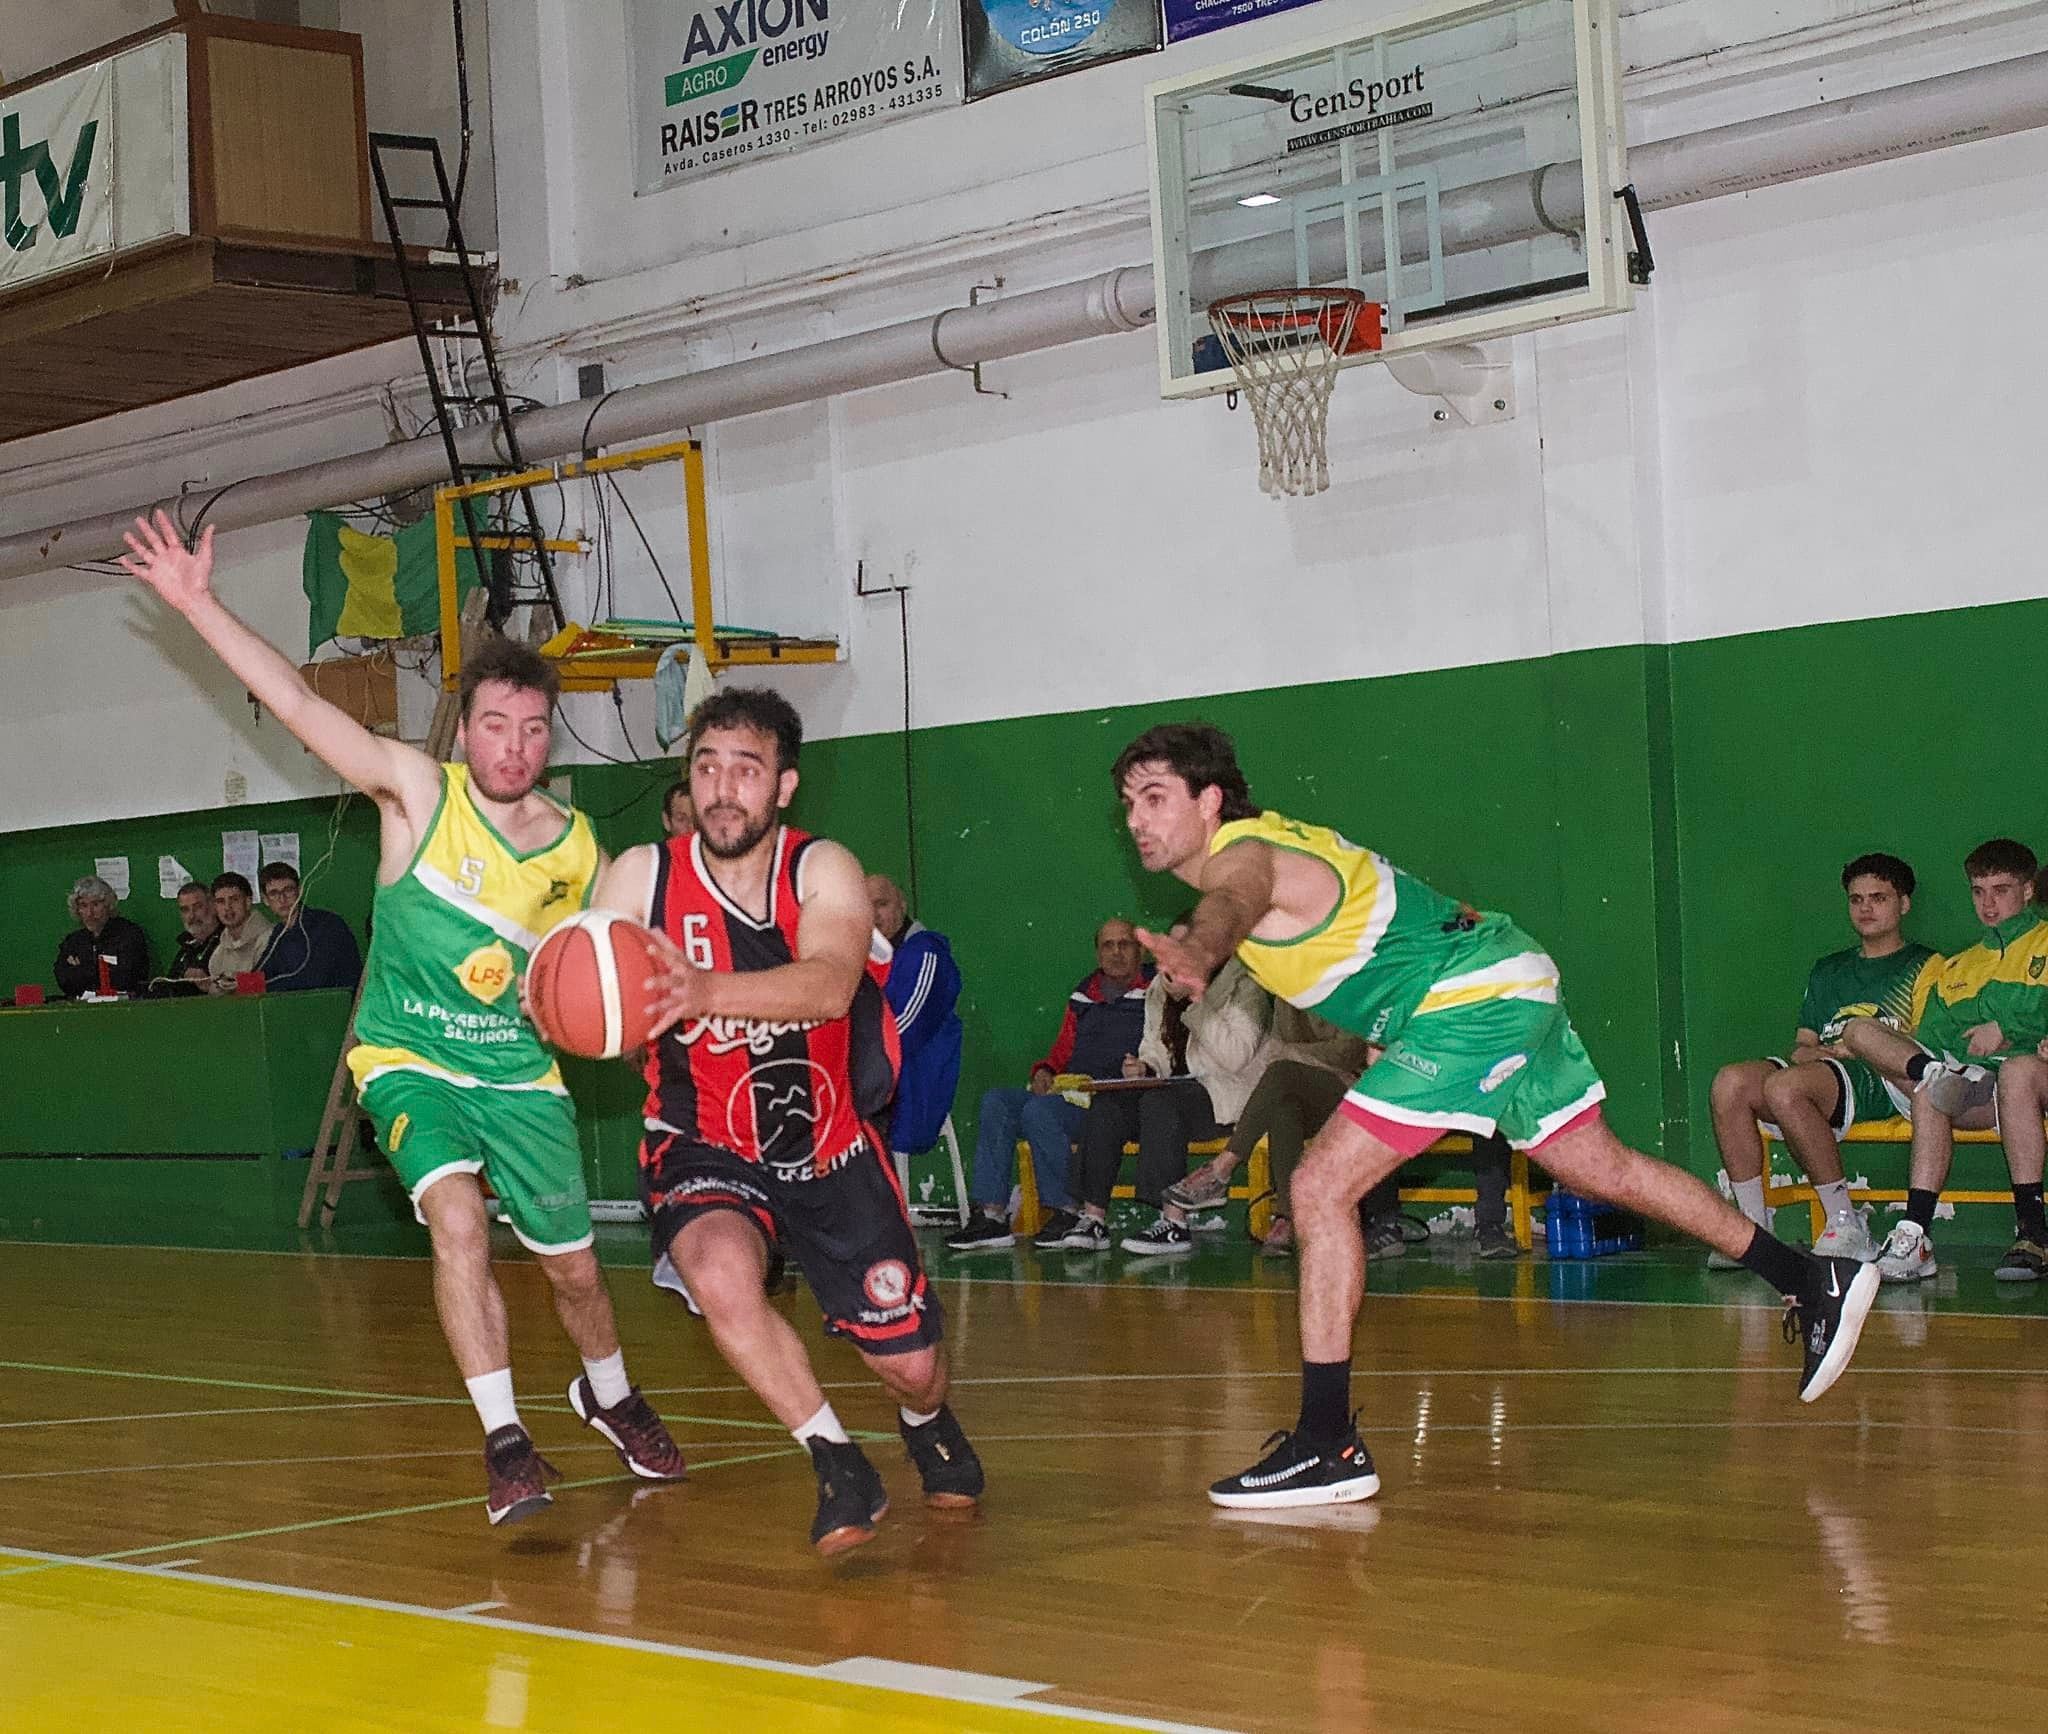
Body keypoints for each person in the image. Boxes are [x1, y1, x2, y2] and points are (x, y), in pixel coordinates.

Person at [1113, 721, 1882, 1509]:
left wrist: (1200, 952)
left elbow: (1235, 900)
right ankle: (1810, 1275)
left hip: (1473, 1002)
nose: (1137, 818)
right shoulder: (1282, 841)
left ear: (1209, 800)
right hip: (1501, 975)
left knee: (1317, 1190)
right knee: (1600, 1168)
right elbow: (1400, 928)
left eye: (1155, 797)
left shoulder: (1246, 855)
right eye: (1128, 803)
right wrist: (1394, 1027)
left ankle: (1327, 1442)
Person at [118, 510, 684, 1526]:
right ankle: (506, 1442)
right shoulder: (415, 791)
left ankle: (609, 1394)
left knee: (574, 1270)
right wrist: (197, 601)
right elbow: (292, 699)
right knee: (457, 1226)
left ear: (547, 738)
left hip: (516, 1073)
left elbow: (606, 980)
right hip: (407, 1058)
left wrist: (579, 998)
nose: (513, 744)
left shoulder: (577, 849)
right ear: (467, 730)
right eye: (496, 725)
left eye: (532, 728)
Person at [593, 686, 984, 1556]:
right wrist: (577, 1009)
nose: (724, 788)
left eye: (746, 769)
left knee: (910, 1365)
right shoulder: (639, 876)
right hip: (701, 1138)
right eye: (706, 768)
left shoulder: (822, 868)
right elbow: (605, 1000)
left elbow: (831, 983)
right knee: (719, 1276)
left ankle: (926, 1421)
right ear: (687, 782)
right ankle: (838, 1462)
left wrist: (704, 995)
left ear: (784, 785)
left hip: (829, 1145)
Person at [1705, 853, 1943, 1269]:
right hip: (1823, 1067)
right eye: (1856, 900)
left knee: (1785, 1087)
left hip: (1879, 1077)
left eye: (1879, 898)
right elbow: (1802, 1045)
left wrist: (1862, 1046)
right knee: (1730, 1082)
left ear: (1904, 904)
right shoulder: (1829, 969)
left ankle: (1844, 1221)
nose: (1866, 908)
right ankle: (1751, 1230)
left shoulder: (1929, 966)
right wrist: (1820, 1054)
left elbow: (1922, 1046)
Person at [1834, 839, 2048, 1284]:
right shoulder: (1957, 968)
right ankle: (1916, 1235)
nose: (1988, 904)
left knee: (2018, 1069)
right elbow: (1933, 1038)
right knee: (1927, 1079)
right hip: (1984, 1089)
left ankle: (2033, 1231)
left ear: (2028, 890)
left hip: (2033, 1073)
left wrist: (2010, 1031)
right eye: (1978, 891)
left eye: (2002, 890)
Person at [943, 919, 1153, 1252]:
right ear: (1097, 953)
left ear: (1140, 951)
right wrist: (1045, 1069)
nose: (1116, 953)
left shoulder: (1156, 990)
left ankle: (1067, 1211)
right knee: (997, 1101)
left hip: (1114, 1104)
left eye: (1124, 944)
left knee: (1041, 1111)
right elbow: (1063, 1048)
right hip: (1070, 1093)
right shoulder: (1084, 993)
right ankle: (993, 1217)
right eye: (1107, 945)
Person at [1058, 945, 1270, 1255]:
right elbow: (1154, 1048)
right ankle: (1093, 1218)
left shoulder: (1245, 986)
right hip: (1170, 1092)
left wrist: (1197, 1002)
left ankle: (1174, 1222)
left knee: (1161, 1102)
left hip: (1225, 1096)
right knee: (1109, 1104)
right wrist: (1144, 1067)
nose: (1176, 962)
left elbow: (1236, 1057)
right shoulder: (1160, 987)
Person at [1165, 1006, 1373, 1256]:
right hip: (1303, 1087)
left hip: (1357, 1088)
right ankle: (1288, 1217)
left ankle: (1223, 1168)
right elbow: (1274, 1052)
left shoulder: (1348, 983)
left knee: (1281, 1072)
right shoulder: (1286, 994)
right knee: (1283, 1109)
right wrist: (1295, 1057)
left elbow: (1347, 1053)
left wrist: (1291, 1055)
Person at [867, 873, 964, 1174]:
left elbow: (905, 1029)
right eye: (864, 905)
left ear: (902, 905)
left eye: (881, 904)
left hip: (912, 1084)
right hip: (875, 1078)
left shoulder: (926, 954)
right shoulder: (860, 957)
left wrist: (855, 1061)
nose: (873, 914)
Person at [255, 861, 364, 993]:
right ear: (266, 900)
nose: (282, 899)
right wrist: (236, 983)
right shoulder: (279, 933)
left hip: (340, 1005)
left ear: (299, 891)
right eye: (274, 893)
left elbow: (311, 979)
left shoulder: (327, 925)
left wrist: (260, 985)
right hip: (303, 1006)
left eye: (288, 890)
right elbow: (264, 972)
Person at [54, 875, 152, 999]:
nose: (90, 913)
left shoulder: (128, 935)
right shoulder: (74, 941)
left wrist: (82, 969)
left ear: (108, 905)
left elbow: (125, 978)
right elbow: (64, 980)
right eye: (83, 906)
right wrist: (98, 971)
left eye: (95, 904)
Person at [148, 881, 222, 998]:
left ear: (213, 906)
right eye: (185, 910)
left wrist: (208, 984)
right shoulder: (186, 947)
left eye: (197, 907)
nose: (191, 916)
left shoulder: (226, 941)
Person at [204, 872, 275, 993]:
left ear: (248, 902)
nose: (227, 907)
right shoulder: (218, 956)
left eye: (234, 899)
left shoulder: (271, 939)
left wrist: (238, 985)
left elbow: (274, 984)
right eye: (221, 901)